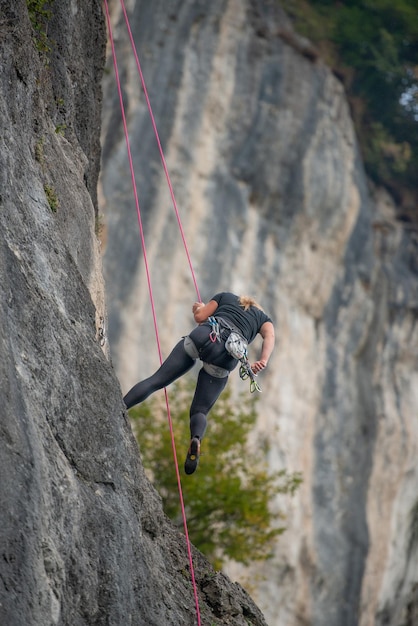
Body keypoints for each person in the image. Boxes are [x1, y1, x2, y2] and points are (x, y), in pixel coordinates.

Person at [124, 292, 275, 475]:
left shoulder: (225, 297)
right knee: (200, 411)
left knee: (156, 381)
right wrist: (263, 360)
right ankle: (196, 438)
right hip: (227, 355)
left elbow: (200, 318)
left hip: (205, 336)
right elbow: (270, 337)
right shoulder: (262, 318)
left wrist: (198, 309)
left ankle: (120, 406)